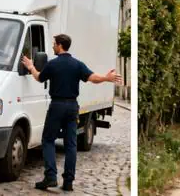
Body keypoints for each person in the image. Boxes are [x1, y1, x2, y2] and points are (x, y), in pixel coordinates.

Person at [21, 34, 122, 191]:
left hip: (57, 106)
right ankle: (68, 182)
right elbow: (92, 78)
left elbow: (39, 78)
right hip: (72, 107)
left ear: (60, 45)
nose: (53, 46)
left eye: (54, 44)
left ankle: (50, 177)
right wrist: (106, 78)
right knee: (71, 145)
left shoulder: (52, 64)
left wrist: (31, 67)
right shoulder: (77, 65)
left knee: (48, 140)